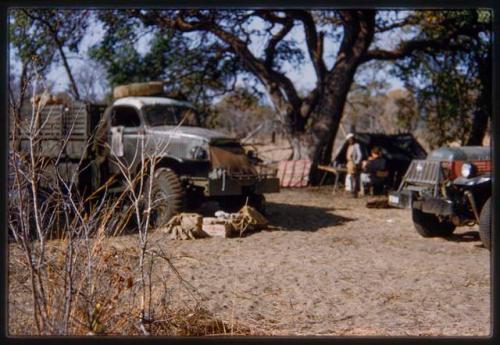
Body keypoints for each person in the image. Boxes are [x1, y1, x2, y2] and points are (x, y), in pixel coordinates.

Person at [345, 133, 362, 197]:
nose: (350, 141)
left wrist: (356, 163)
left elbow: (360, 155)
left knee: (354, 177)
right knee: (350, 177)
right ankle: (351, 190)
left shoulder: (356, 145)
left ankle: (354, 192)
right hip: (349, 163)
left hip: (353, 163)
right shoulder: (349, 146)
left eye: (351, 139)